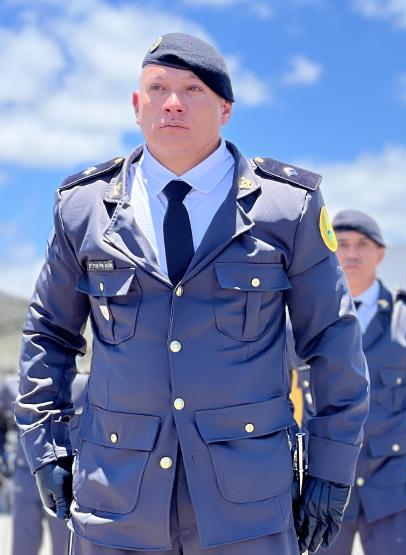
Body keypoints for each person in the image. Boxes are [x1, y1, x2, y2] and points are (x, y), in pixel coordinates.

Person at [16, 32, 369, 555]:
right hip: (116, 504)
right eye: (157, 88)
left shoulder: (286, 208)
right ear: (137, 106)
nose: (173, 103)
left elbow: (332, 343)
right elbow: (48, 334)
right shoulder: (83, 208)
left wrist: (332, 470)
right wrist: (45, 449)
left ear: (226, 108)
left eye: (193, 89)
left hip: (247, 507)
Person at [316, 210, 406, 555]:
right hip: (324, 489)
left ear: (381, 253)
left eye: (363, 244)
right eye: (343, 244)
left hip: (393, 489)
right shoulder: (308, 315)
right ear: (330, 251)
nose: (351, 253)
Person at [3, 373, 88, 555]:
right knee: (23, 543)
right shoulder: (11, 385)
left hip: (64, 474)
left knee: (64, 543)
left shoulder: (85, 384)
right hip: (24, 474)